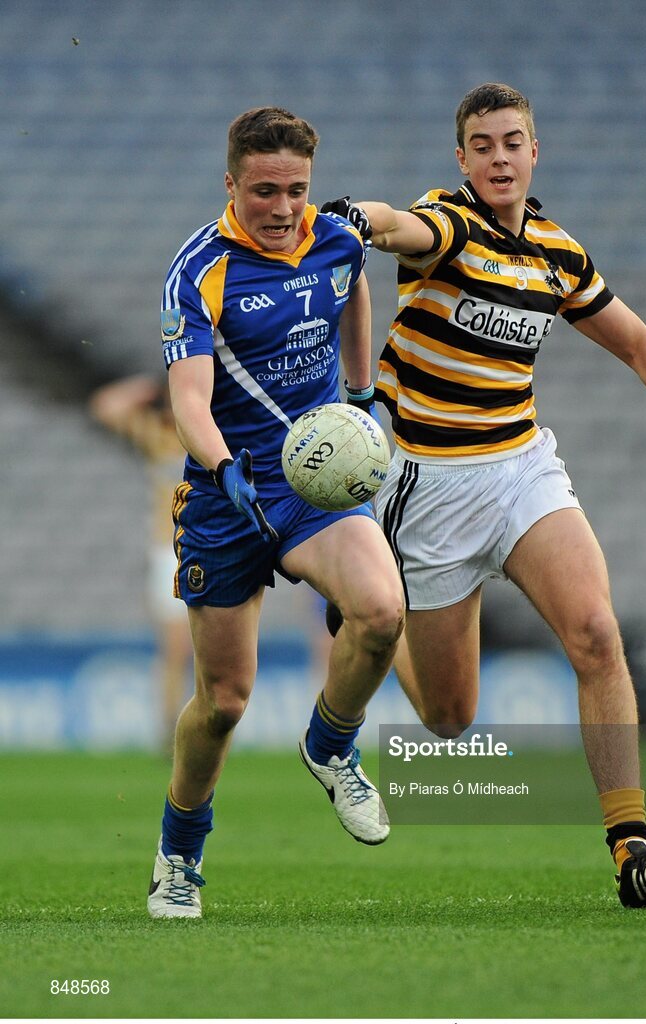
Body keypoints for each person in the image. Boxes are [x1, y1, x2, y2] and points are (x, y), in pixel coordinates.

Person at [322, 82, 646, 909]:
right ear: (461, 159)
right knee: (449, 719)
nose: (497, 157)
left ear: (533, 150)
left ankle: (631, 850)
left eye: (510, 141)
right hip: (430, 489)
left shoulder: (557, 251)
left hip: (521, 471)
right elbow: (396, 224)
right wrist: (356, 217)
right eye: (480, 145)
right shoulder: (448, 222)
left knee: (595, 633)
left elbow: (633, 338)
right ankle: (368, 619)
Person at [147, 106, 405, 920]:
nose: (283, 208)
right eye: (264, 191)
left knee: (381, 611)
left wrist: (360, 392)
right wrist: (223, 468)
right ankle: (178, 855)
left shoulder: (334, 237)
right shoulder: (198, 271)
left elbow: (354, 284)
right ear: (231, 184)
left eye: (296, 190)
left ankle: (329, 745)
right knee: (223, 701)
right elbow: (186, 398)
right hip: (228, 494)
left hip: (314, 486)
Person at [89, 374, 192, 749]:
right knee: (176, 648)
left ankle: (202, 729)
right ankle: (169, 730)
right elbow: (104, 406)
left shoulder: (209, 433)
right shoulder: (156, 433)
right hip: (168, 551)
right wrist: (145, 386)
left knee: (209, 649)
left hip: (208, 547)